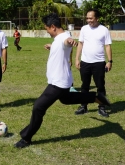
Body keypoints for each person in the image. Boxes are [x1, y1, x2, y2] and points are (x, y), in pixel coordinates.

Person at [14, 13, 110, 148]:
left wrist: (71, 42)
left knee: (38, 107)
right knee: (66, 99)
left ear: (53, 27)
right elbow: (61, 46)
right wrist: (52, 46)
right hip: (63, 80)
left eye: (46, 28)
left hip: (58, 83)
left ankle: (26, 138)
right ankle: (95, 97)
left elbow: (67, 42)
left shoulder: (65, 37)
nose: (46, 31)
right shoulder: (58, 39)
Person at [74, 9, 113, 118]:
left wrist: (109, 61)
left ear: (97, 18)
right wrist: (77, 59)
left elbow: (108, 46)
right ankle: (83, 106)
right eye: (87, 18)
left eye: (91, 18)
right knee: (84, 85)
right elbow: (80, 44)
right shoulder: (84, 29)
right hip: (85, 62)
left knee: (100, 86)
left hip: (99, 63)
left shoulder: (104, 30)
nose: (88, 20)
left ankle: (101, 107)